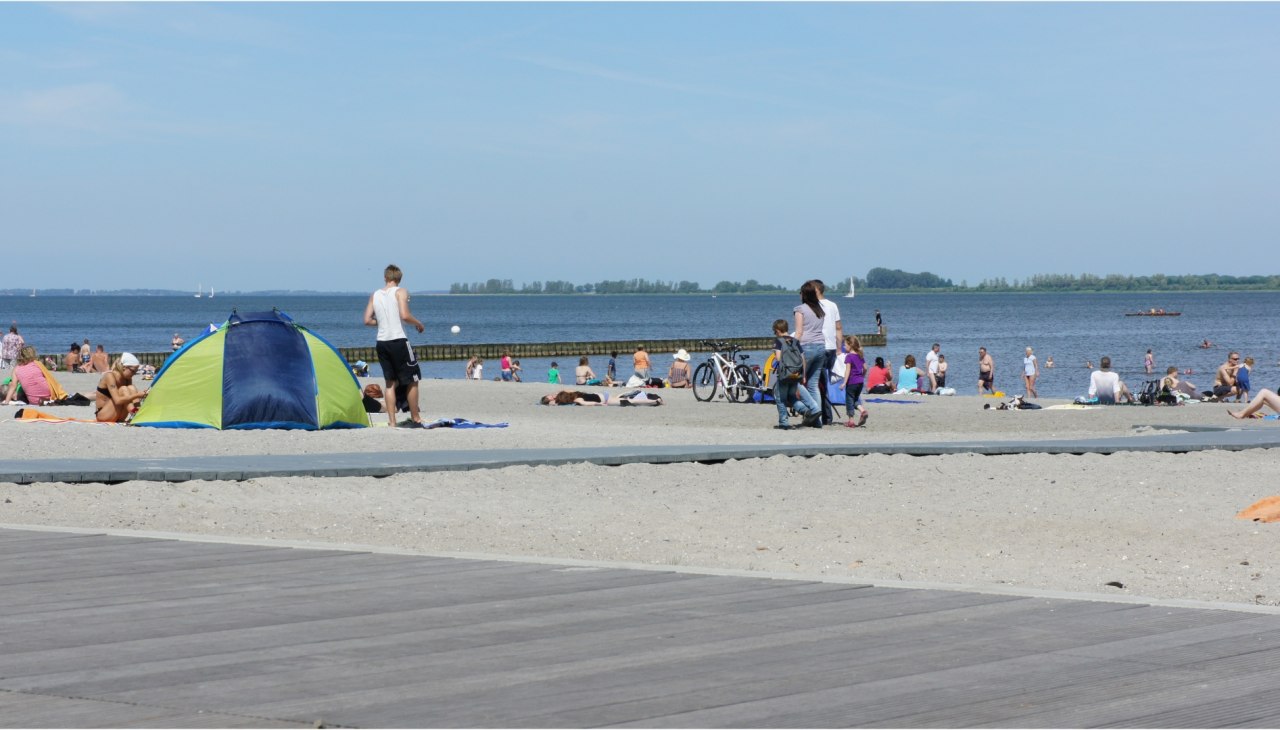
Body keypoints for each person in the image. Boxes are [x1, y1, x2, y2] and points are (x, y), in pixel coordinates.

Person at [363, 263, 426, 428]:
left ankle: (392, 421)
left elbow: (367, 320)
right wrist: (418, 323)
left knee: (390, 383)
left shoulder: (375, 295)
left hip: (382, 342)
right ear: (399, 279)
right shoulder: (401, 291)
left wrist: (382, 321)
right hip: (398, 340)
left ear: (385, 277)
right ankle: (416, 417)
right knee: (412, 380)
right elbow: (405, 315)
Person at [771, 318, 819, 429]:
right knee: (792, 397)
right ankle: (805, 411)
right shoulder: (795, 341)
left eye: (775, 331)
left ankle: (784, 422)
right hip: (796, 374)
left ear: (778, 330)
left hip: (784, 374)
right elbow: (802, 359)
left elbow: (778, 358)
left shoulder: (778, 341)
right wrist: (803, 375)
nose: (775, 333)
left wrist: (776, 355)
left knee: (781, 399)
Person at [793, 281, 827, 423]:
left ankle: (814, 410)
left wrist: (791, 347)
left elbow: (799, 332)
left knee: (797, 381)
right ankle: (817, 421)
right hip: (821, 346)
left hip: (806, 346)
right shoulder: (819, 310)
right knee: (813, 384)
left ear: (804, 294)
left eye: (800, 293)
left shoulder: (800, 309)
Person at [814, 280, 843, 425]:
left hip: (819, 346)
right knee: (822, 382)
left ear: (816, 290)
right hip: (831, 347)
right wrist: (839, 348)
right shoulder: (833, 305)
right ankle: (824, 414)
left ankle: (823, 415)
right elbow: (838, 328)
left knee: (817, 382)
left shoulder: (813, 305)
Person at [94, 353, 148, 422]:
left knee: (132, 388)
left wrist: (142, 395)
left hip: (119, 416)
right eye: (132, 371)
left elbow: (131, 398)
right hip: (103, 415)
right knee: (123, 389)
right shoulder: (110, 376)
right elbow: (117, 401)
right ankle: (134, 415)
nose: (134, 374)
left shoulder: (127, 378)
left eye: (136, 372)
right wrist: (137, 395)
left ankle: (138, 413)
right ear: (124, 367)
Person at [841, 335, 869, 428]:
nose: (844, 347)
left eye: (845, 345)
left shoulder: (849, 356)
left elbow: (847, 370)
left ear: (850, 345)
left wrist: (844, 382)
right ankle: (863, 411)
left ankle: (851, 421)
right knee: (855, 399)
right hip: (860, 382)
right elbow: (865, 368)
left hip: (852, 382)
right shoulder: (860, 355)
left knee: (849, 400)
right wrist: (862, 376)